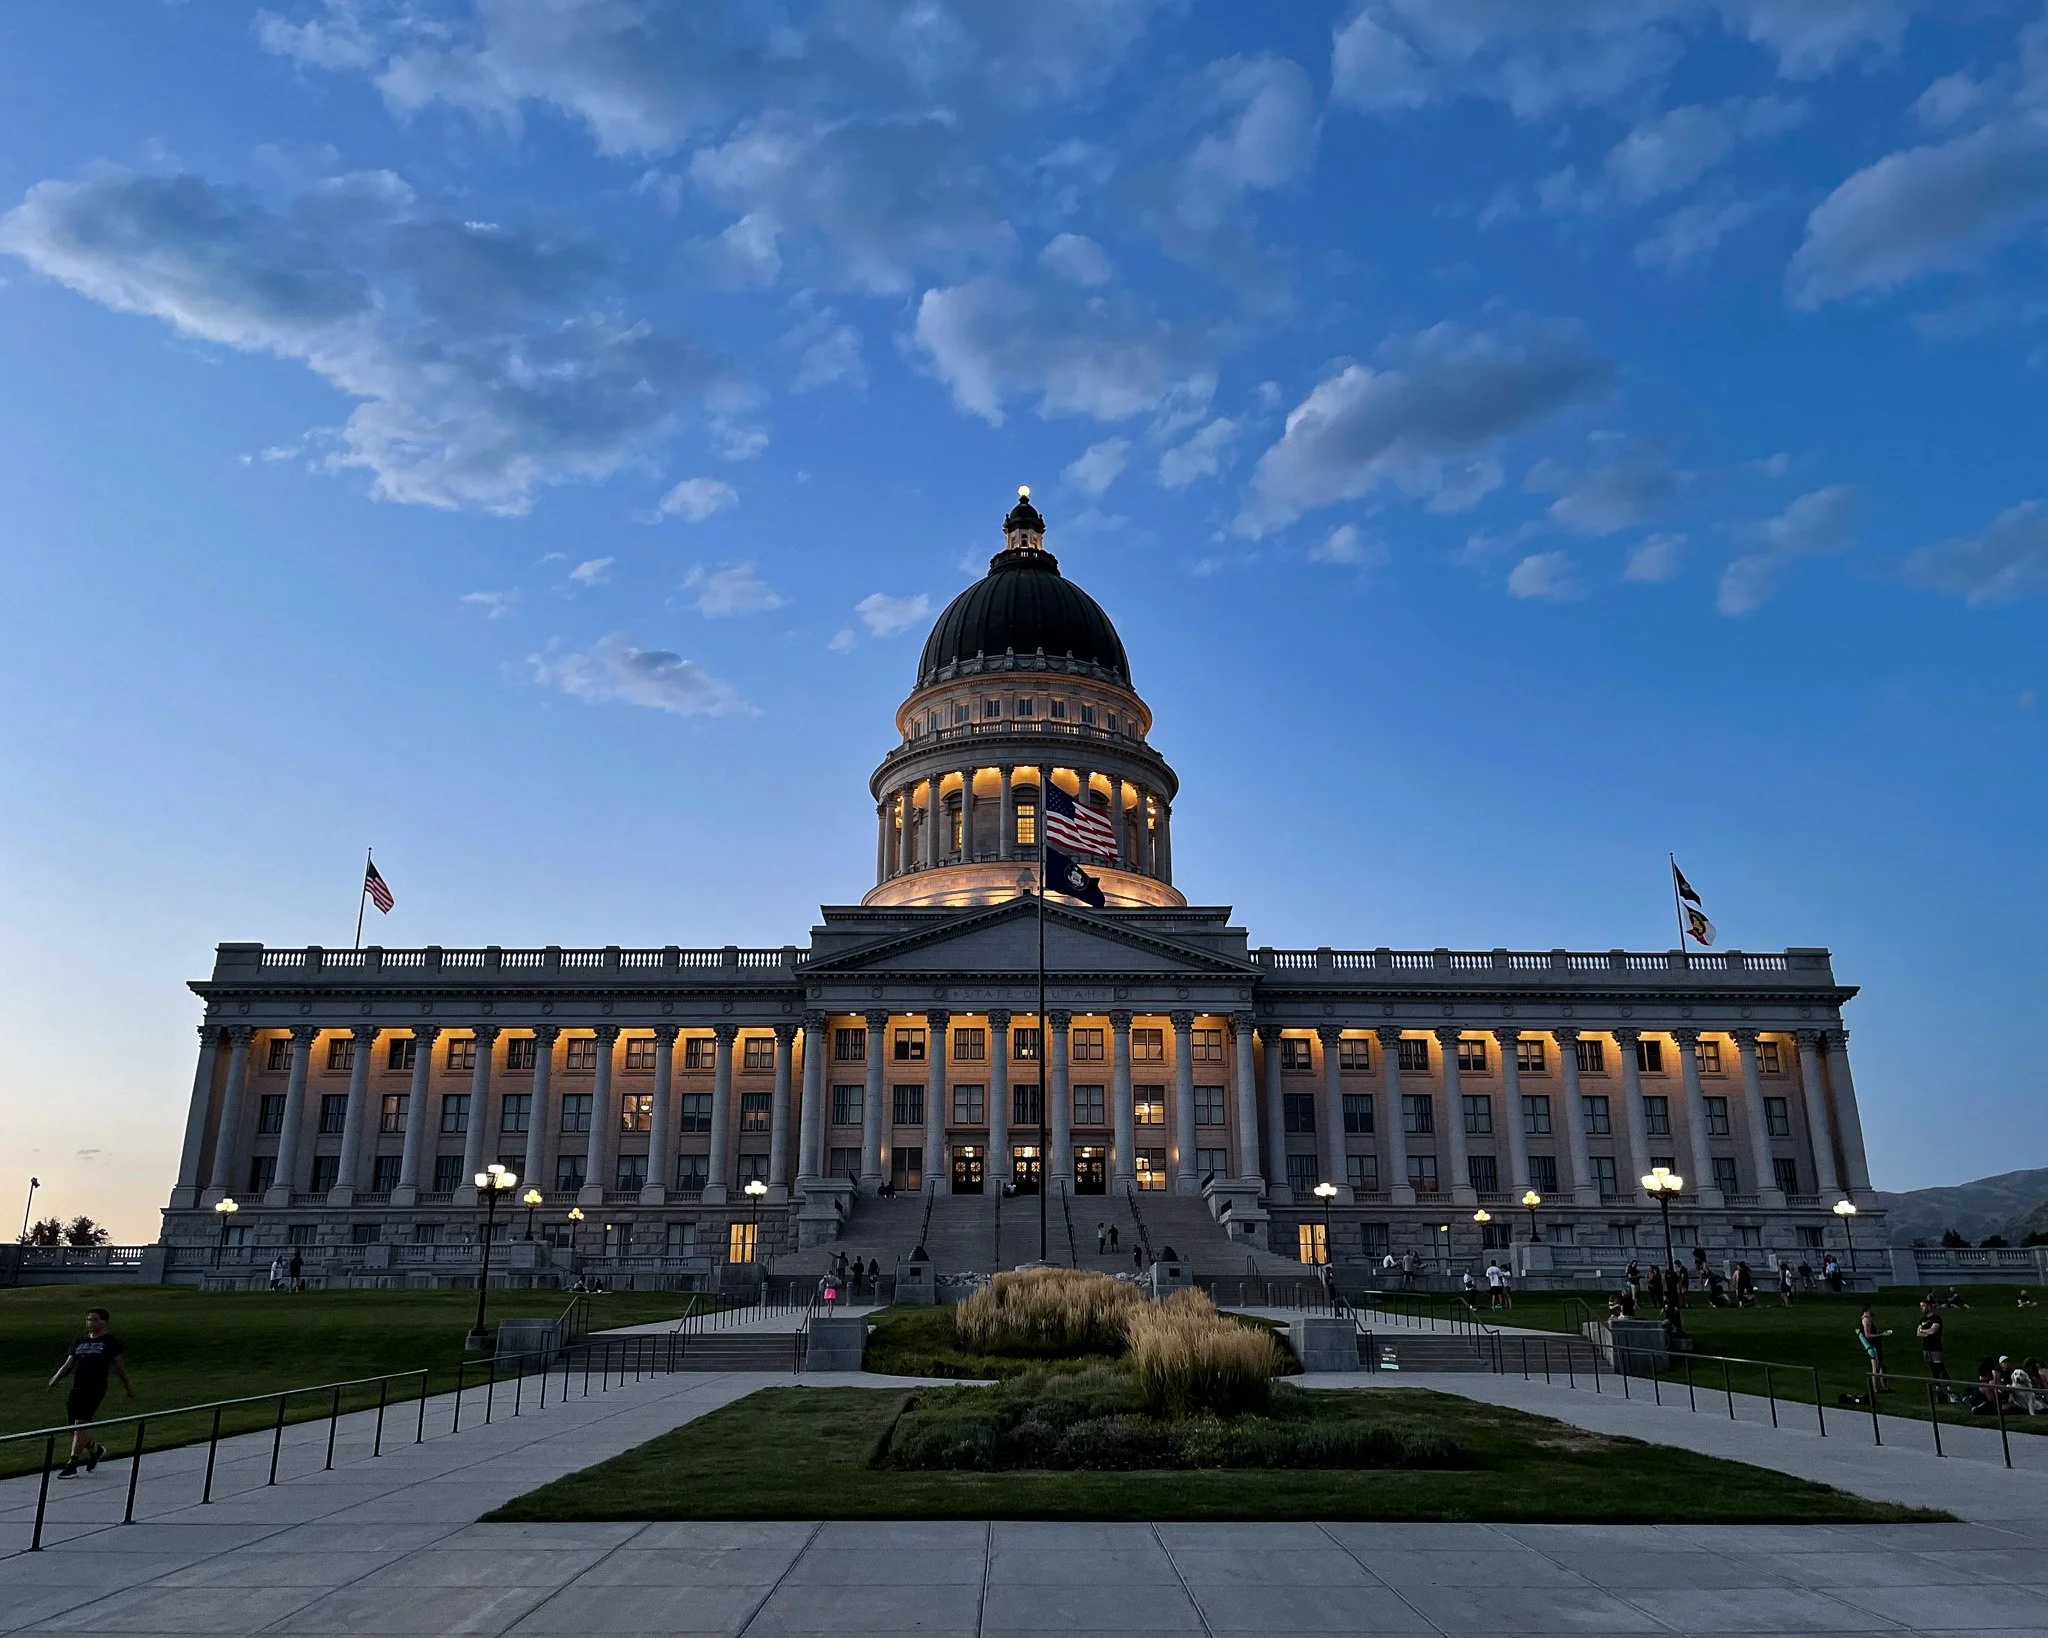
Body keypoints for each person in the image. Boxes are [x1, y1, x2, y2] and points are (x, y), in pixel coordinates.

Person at [46, 1307, 134, 1478]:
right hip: (77, 1388)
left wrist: (128, 1388)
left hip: (95, 1388)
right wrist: (56, 1378)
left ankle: (72, 1464)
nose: (90, 1323)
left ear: (104, 1322)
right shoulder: (79, 1342)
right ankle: (95, 1449)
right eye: (88, 1320)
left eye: (94, 1319)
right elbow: (68, 1364)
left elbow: (119, 1368)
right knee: (74, 1427)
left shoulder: (111, 1342)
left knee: (80, 1424)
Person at [1857, 1303, 1893, 1396]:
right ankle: (1876, 1389)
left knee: (1881, 1367)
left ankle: (1883, 1387)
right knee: (1876, 1368)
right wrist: (1882, 1334)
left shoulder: (1868, 1319)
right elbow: (1867, 1335)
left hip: (1875, 1345)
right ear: (1868, 1309)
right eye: (1872, 1308)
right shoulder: (1866, 1320)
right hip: (1873, 1345)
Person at [1915, 1299, 1950, 1387]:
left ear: (1929, 1306)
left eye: (1923, 1306)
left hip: (1935, 1347)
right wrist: (1926, 1332)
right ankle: (1937, 1387)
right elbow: (1918, 1333)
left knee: (1940, 1368)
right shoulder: (1922, 1319)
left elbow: (1933, 1331)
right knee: (1933, 1369)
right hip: (1926, 1348)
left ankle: (1949, 1387)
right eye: (1921, 1306)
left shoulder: (1936, 1318)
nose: (1921, 1308)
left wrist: (1924, 1331)